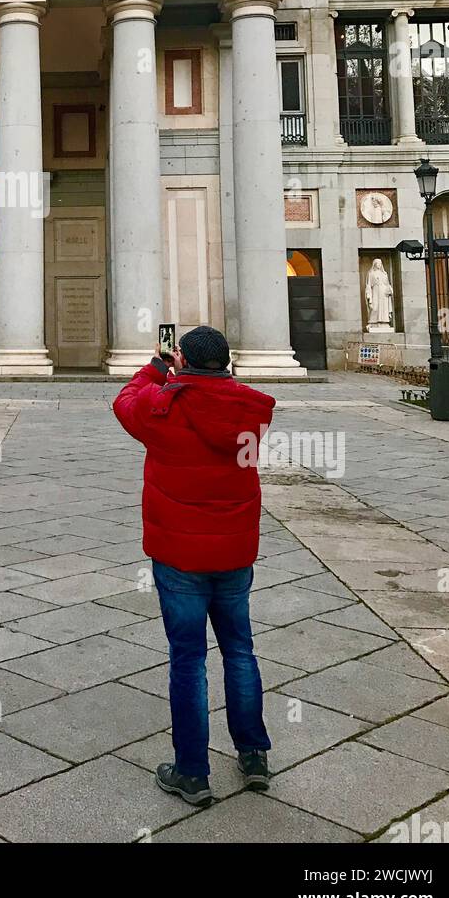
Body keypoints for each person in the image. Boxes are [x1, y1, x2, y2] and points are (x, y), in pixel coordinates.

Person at [113, 325, 277, 808]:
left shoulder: (162, 406)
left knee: (188, 660)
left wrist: (157, 369)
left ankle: (191, 772)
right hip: (233, 553)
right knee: (241, 651)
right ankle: (253, 756)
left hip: (180, 556)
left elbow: (125, 401)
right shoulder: (250, 409)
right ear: (226, 361)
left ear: (182, 360)